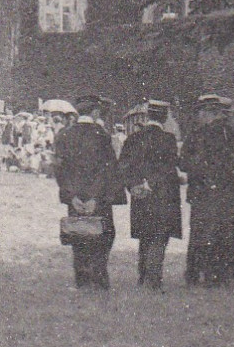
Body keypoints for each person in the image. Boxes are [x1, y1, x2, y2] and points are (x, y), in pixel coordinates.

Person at [180, 94, 234, 286]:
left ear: (209, 113)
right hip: (220, 193)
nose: (199, 117)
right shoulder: (229, 134)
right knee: (220, 233)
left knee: (205, 233)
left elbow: (185, 162)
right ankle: (221, 273)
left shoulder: (200, 135)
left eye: (201, 113)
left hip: (210, 193)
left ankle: (202, 273)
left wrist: (210, 176)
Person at [55, 95, 121, 289]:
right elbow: (107, 170)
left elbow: (60, 170)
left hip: (75, 199)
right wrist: (94, 197)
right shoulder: (102, 135)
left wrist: (72, 196)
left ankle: (82, 280)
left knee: (79, 236)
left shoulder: (64, 135)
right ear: (95, 112)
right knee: (103, 236)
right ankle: (99, 279)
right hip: (98, 198)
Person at [119, 99, 183, 289]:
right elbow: (170, 167)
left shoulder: (133, 139)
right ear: (164, 117)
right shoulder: (169, 140)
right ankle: (152, 278)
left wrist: (135, 185)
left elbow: (123, 167)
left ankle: (143, 275)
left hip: (140, 195)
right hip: (163, 195)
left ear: (148, 116)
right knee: (159, 236)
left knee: (145, 234)